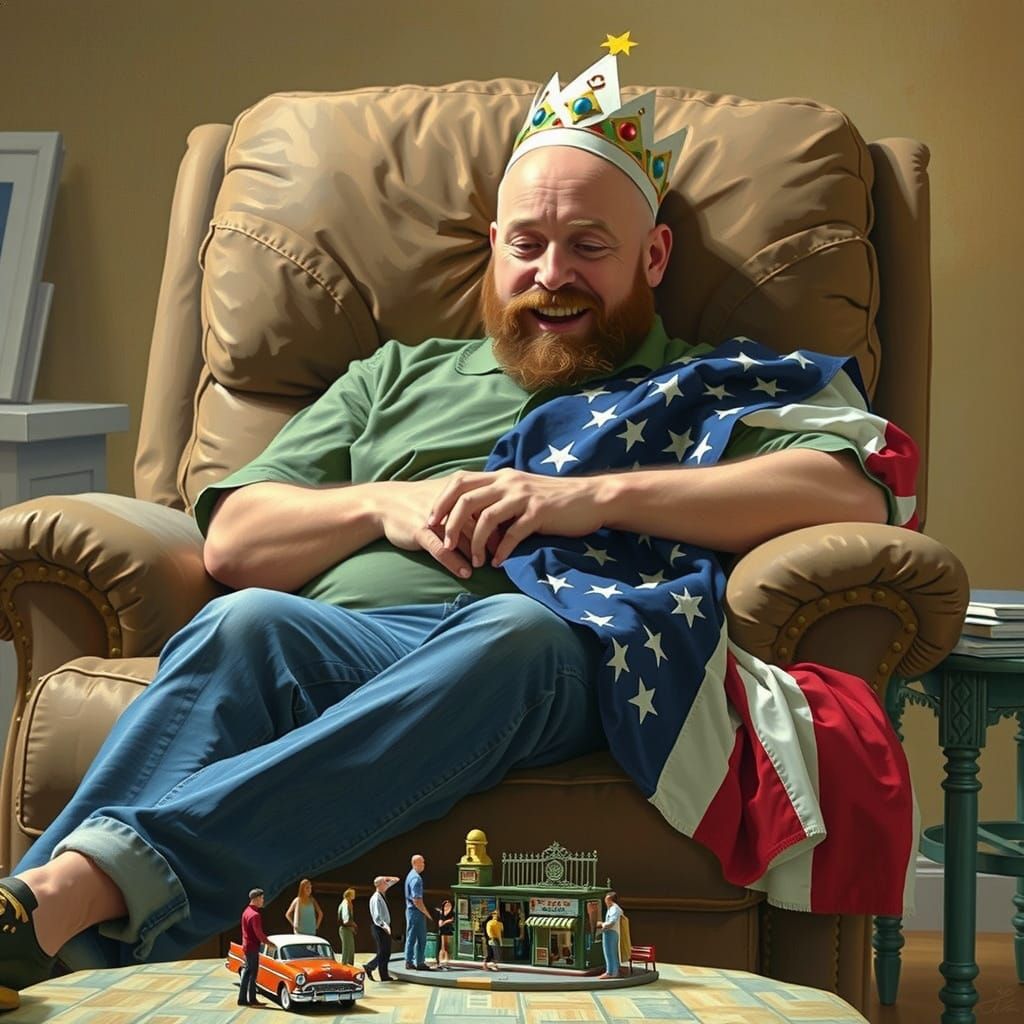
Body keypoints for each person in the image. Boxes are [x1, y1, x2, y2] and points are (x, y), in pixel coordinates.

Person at [0, 44, 913, 1002]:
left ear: (652, 256)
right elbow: (233, 546)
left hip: (553, 655)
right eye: (526, 244)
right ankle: (44, 928)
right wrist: (382, 503)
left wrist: (584, 498)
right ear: (492, 246)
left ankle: (80, 889)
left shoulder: (699, 387)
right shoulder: (395, 376)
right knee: (243, 622)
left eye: (589, 248)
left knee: (514, 630)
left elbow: (848, 494)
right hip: (351, 636)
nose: (551, 274)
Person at [238, 888, 271, 1006]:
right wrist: (269, 943)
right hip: (252, 948)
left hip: (247, 946)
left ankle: (242, 999)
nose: (263, 900)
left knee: (247, 972)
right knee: (252, 974)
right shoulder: (255, 915)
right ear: (256, 899)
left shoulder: (246, 911)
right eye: (262, 898)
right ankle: (252, 999)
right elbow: (259, 934)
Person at [363, 875, 399, 982]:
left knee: (386, 952)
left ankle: (384, 975)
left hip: (384, 927)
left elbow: (396, 880)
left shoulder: (382, 894)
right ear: (379, 885)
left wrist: (385, 877)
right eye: (384, 882)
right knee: (383, 951)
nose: (387, 883)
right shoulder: (375, 898)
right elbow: (377, 916)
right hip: (380, 927)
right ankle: (370, 966)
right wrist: (385, 927)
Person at [403, 854, 432, 970]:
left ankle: (410, 960)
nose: (424, 864)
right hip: (416, 912)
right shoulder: (416, 879)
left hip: (410, 911)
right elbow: (417, 900)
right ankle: (418, 962)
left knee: (411, 936)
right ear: (415, 863)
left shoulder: (410, 875)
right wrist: (426, 913)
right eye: (422, 862)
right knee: (420, 938)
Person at [595, 891, 622, 979]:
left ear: (610, 899)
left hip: (611, 932)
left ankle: (611, 972)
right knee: (611, 952)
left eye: (606, 899)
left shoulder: (614, 908)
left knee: (609, 952)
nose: (605, 900)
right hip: (610, 932)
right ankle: (615, 970)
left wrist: (601, 924)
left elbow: (611, 922)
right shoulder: (613, 908)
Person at [337, 887, 357, 965]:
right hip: (345, 929)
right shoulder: (345, 903)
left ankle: (349, 966)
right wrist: (353, 925)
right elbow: (345, 920)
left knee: (350, 949)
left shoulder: (349, 903)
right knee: (346, 949)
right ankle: (345, 966)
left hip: (348, 928)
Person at [435, 897, 454, 967]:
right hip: (443, 931)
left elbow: (452, 920)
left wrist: (445, 922)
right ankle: (441, 961)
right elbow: (440, 923)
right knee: (443, 947)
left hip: (449, 931)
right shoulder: (442, 913)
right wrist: (446, 921)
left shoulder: (452, 913)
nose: (447, 907)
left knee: (447, 947)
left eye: (449, 905)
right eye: (446, 905)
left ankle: (446, 961)